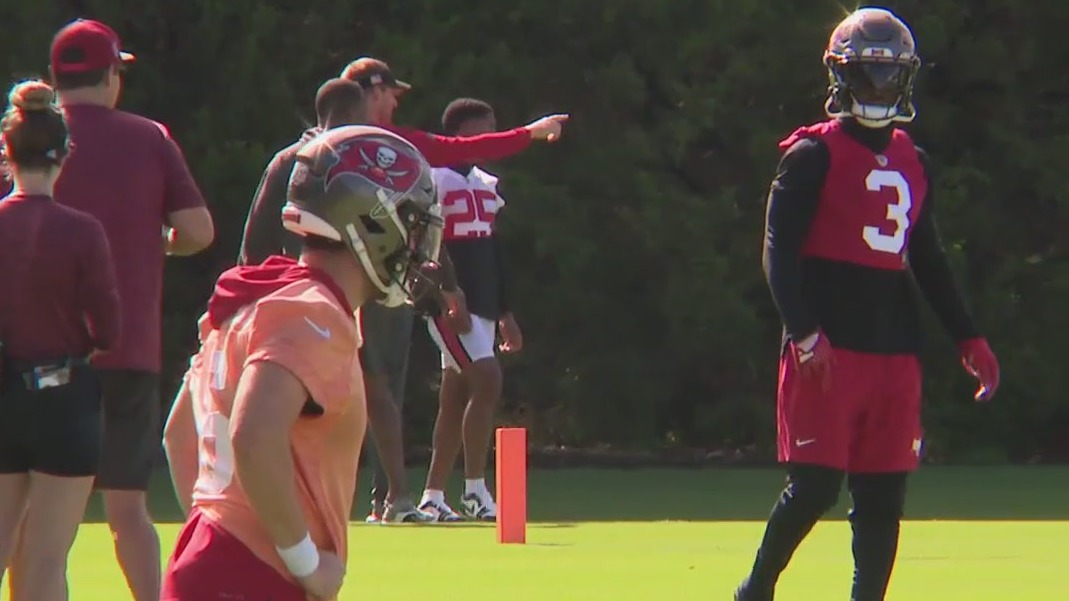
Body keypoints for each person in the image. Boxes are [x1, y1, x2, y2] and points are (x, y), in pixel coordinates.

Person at [734, 8, 1000, 601]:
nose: (878, 89)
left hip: (894, 347)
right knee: (814, 485)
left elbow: (927, 257)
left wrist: (968, 336)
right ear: (840, 76)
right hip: (827, 345)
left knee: (883, 495)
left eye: (888, 76)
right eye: (866, 75)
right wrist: (803, 331)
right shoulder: (811, 155)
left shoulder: (914, 159)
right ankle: (754, 591)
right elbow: (777, 253)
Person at [160, 125, 445, 601]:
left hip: (206, 558)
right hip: (252, 577)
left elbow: (179, 437)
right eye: (410, 224)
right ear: (372, 223)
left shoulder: (260, 300)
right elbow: (252, 434)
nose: (415, 247)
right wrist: (304, 561)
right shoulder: (313, 313)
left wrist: (220, 525)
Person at [6, 18, 214, 601]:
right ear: (112, 76)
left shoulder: (24, 141)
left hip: (35, 358)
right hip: (128, 351)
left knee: (34, 528)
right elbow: (198, 230)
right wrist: (152, 241)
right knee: (129, 511)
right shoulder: (149, 137)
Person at [339, 56, 567, 522]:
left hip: (409, 285)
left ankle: (418, 496)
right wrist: (446, 290)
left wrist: (498, 305)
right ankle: (450, 492)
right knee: (471, 380)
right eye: (389, 92)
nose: (395, 100)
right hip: (365, 280)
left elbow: (468, 234)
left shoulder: (407, 146)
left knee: (416, 390)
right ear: (369, 92)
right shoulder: (343, 148)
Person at [237, 76, 443, 523]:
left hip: (313, 290)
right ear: (354, 113)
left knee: (363, 388)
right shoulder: (319, 159)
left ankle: (386, 497)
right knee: (365, 389)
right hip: (326, 290)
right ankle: (392, 499)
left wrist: (249, 291)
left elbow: (253, 244)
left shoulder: (292, 158)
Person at [0, 80, 122, 601]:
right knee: (46, 560)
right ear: (63, 154)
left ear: (7, 151)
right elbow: (109, 329)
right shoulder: (82, 230)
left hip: (3, 394)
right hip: (64, 398)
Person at [419, 98, 523, 521]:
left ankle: (433, 495)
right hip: (448, 300)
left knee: (455, 394)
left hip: (482, 299)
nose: (491, 138)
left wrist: (505, 312)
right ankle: (476, 490)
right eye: (483, 130)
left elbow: (493, 250)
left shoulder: (486, 182)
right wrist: (447, 293)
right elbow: (426, 244)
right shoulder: (433, 179)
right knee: (487, 378)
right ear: (459, 134)